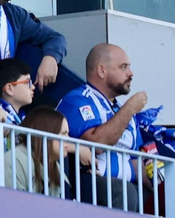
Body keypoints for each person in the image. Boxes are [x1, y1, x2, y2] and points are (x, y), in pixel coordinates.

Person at [58, 42, 147, 181]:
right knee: (127, 194)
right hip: (93, 183)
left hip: (129, 188)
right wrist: (129, 109)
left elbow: (137, 161)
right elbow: (96, 145)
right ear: (102, 71)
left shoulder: (125, 111)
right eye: (123, 67)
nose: (131, 73)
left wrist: (161, 190)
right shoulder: (78, 100)